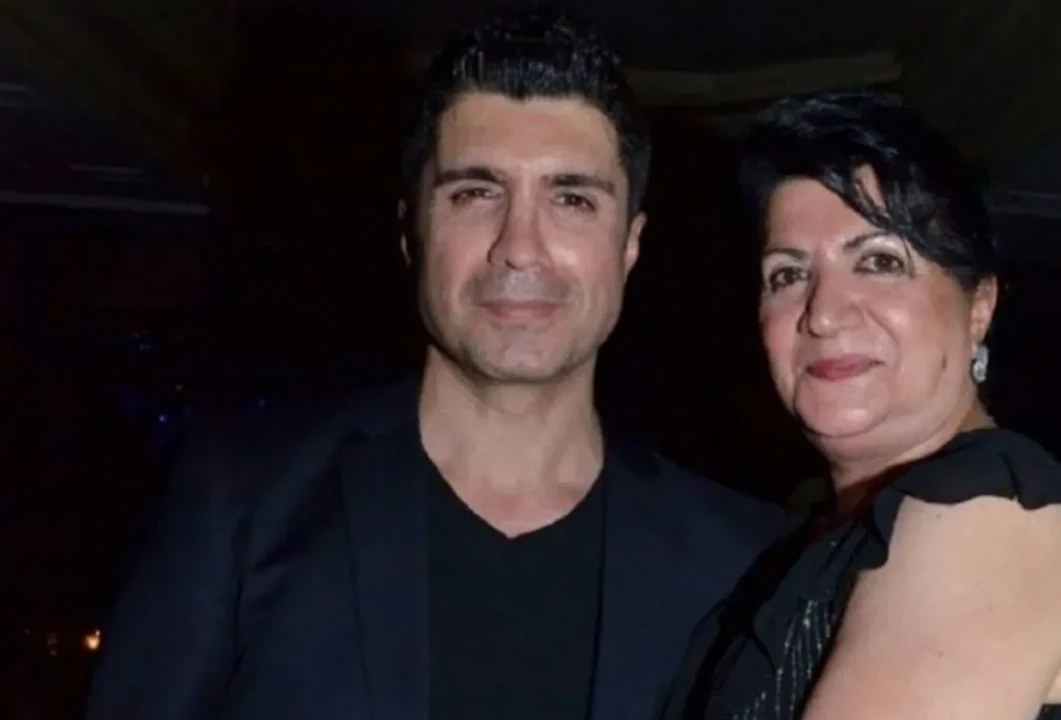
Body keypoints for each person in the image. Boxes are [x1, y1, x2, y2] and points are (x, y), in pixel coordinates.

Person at [85, 8, 785, 720]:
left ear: (629, 245)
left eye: (572, 199)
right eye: (476, 194)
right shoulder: (243, 503)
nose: (520, 246)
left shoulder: (745, 566)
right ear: (412, 231)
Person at [659, 92, 1061, 719]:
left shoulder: (984, 519)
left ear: (979, 308)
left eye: (880, 262)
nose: (823, 313)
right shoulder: (811, 543)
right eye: (788, 274)